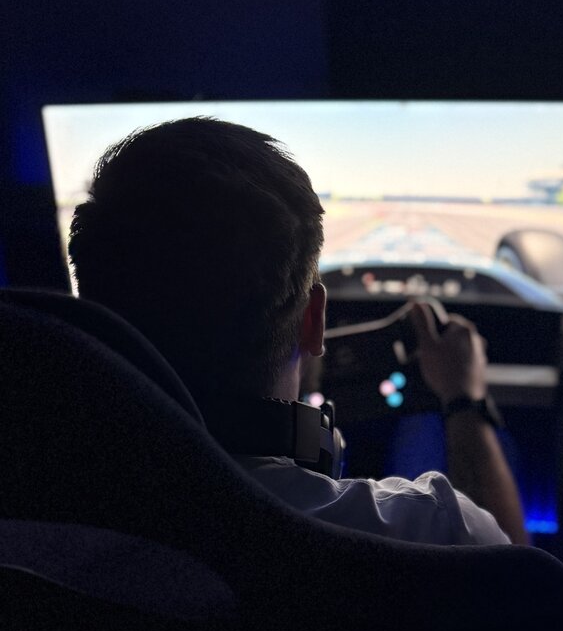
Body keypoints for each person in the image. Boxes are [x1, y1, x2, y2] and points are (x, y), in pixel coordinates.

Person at [67, 116, 529, 546]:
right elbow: (520, 573)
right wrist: (464, 402)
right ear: (314, 322)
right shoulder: (436, 525)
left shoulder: (47, 506)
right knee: (419, 433)